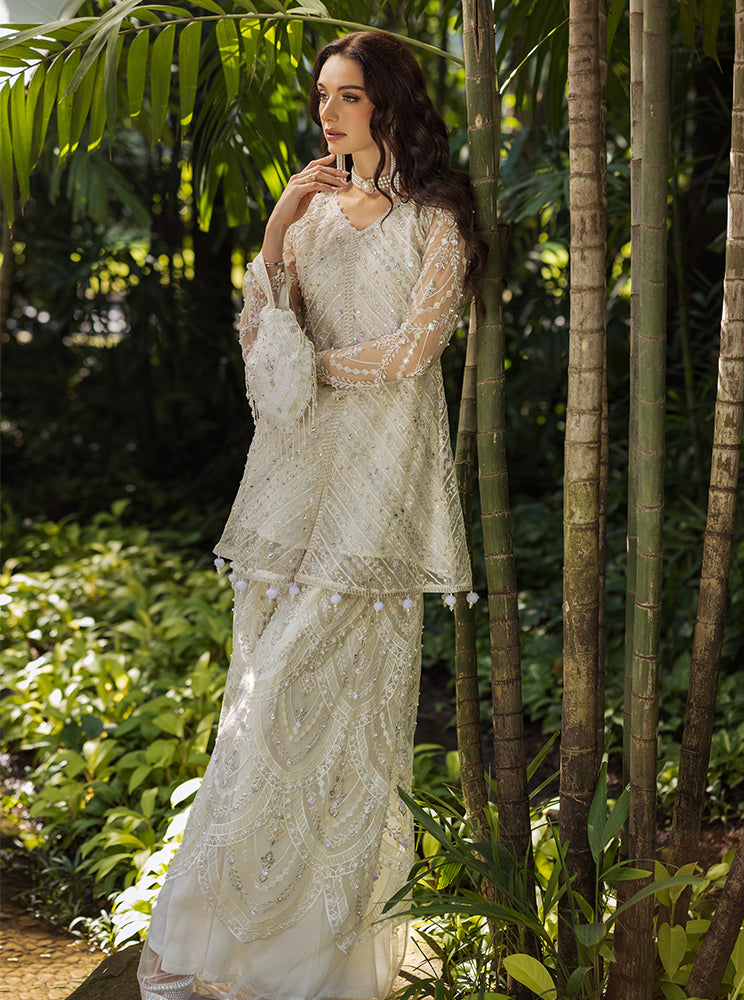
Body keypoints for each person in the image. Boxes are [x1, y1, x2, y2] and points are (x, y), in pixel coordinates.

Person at [138, 29, 485, 1000]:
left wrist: (308, 370)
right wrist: (274, 228)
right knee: (256, 698)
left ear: (388, 103)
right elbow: (262, 340)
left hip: (378, 489)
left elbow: (411, 351)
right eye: (322, 95)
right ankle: (230, 946)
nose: (327, 113)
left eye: (347, 96)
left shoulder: (437, 220)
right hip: (290, 487)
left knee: (322, 704)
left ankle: (311, 957)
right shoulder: (311, 214)